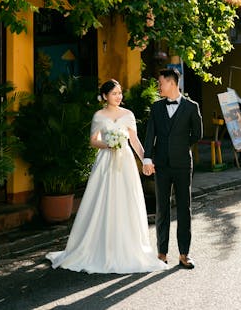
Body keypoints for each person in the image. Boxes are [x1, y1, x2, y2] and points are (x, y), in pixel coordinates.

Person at [46, 79, 170, 274]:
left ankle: (128, 247)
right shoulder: (99, 116)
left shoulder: (128, 114)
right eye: (114, 94)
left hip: (126, 163)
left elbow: (135, 141)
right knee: (103, 201)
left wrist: (146, 160)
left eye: (120, 93)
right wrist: (108, 145)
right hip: (105, 162)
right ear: (105, 96)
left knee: (126, 200)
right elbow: (93, 141)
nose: (119, 97)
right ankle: (98, 246)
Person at [143, 67, 203, 269]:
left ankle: (184, 254)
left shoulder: (191, 107)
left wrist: (181, 145)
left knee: (184, 208)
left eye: (160, 83)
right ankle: (161, 253)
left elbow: (198, 134)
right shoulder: (156, 108)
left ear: (171, 83)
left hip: (182, 165)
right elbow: (150, 135)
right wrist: (147, 158)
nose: (159, 86)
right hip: (161, 164)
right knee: (162, 209)